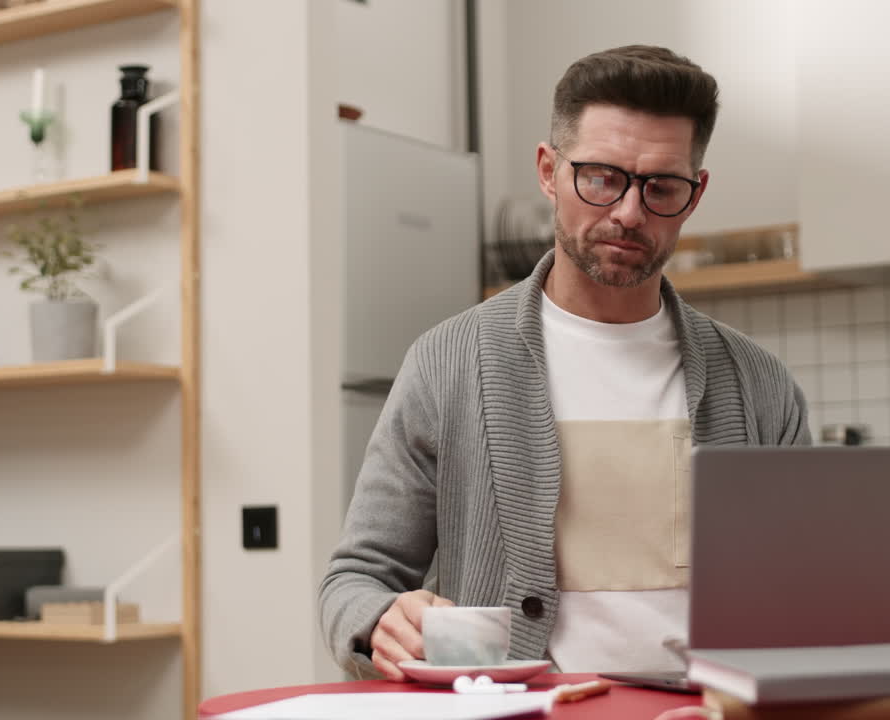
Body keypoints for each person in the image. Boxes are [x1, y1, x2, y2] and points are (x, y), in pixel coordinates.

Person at [319, 45, 810, 681]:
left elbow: (807, 596)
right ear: (549, 171)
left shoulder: (761, 388)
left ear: (695, 194)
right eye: (601, 177)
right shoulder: (447, 364)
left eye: (661, 186)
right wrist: (379, 617)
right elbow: (355, 578)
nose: (629, 213)